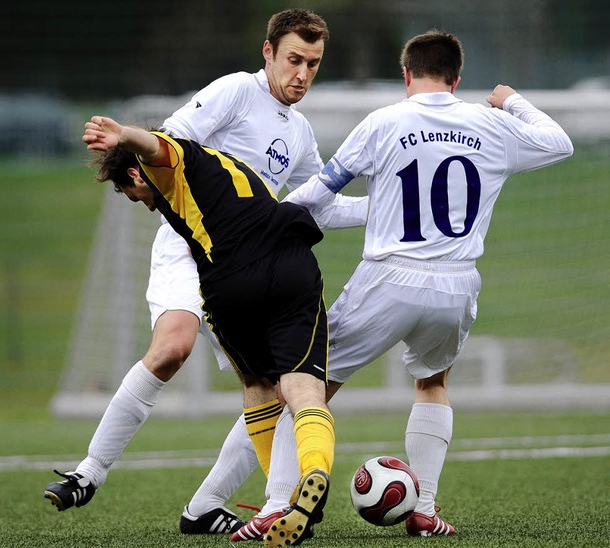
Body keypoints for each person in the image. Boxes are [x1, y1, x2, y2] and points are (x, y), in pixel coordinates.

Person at [209, 29, 575, 541]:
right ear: (457, 78)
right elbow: (560, 142)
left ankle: (275, 505)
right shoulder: (490, 124)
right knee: (433, 383)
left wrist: (258, 225)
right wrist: (510, 100)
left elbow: (319, 191)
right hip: (457, 285)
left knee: (304, 387)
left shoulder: (384, 122)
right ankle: (423, 508)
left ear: (406, 75)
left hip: (387, 278)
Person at [44, 7, 367, 539]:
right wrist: (132, 148)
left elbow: (320, 208)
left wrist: (384, 209)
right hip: (189, 243)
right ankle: (89, 471)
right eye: (294, 60)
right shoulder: (237, 91)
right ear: (267, 52)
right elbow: (172, 137)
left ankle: (222, 506)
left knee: (269, 388)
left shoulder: (303, 132)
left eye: (313, 63)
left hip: (250, 262)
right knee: (174, 347)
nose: (303, 74)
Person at [79, 115, 335, 547]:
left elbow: (155, 147)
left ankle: (283, 496)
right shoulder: (228, 162)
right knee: (305, 389)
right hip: (292, 263)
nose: (141, 203)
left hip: (232, 282)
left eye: (132, 193)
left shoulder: (171, 160)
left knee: (257, 383)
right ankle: (311, 472)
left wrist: (124, 135)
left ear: (136, 171)